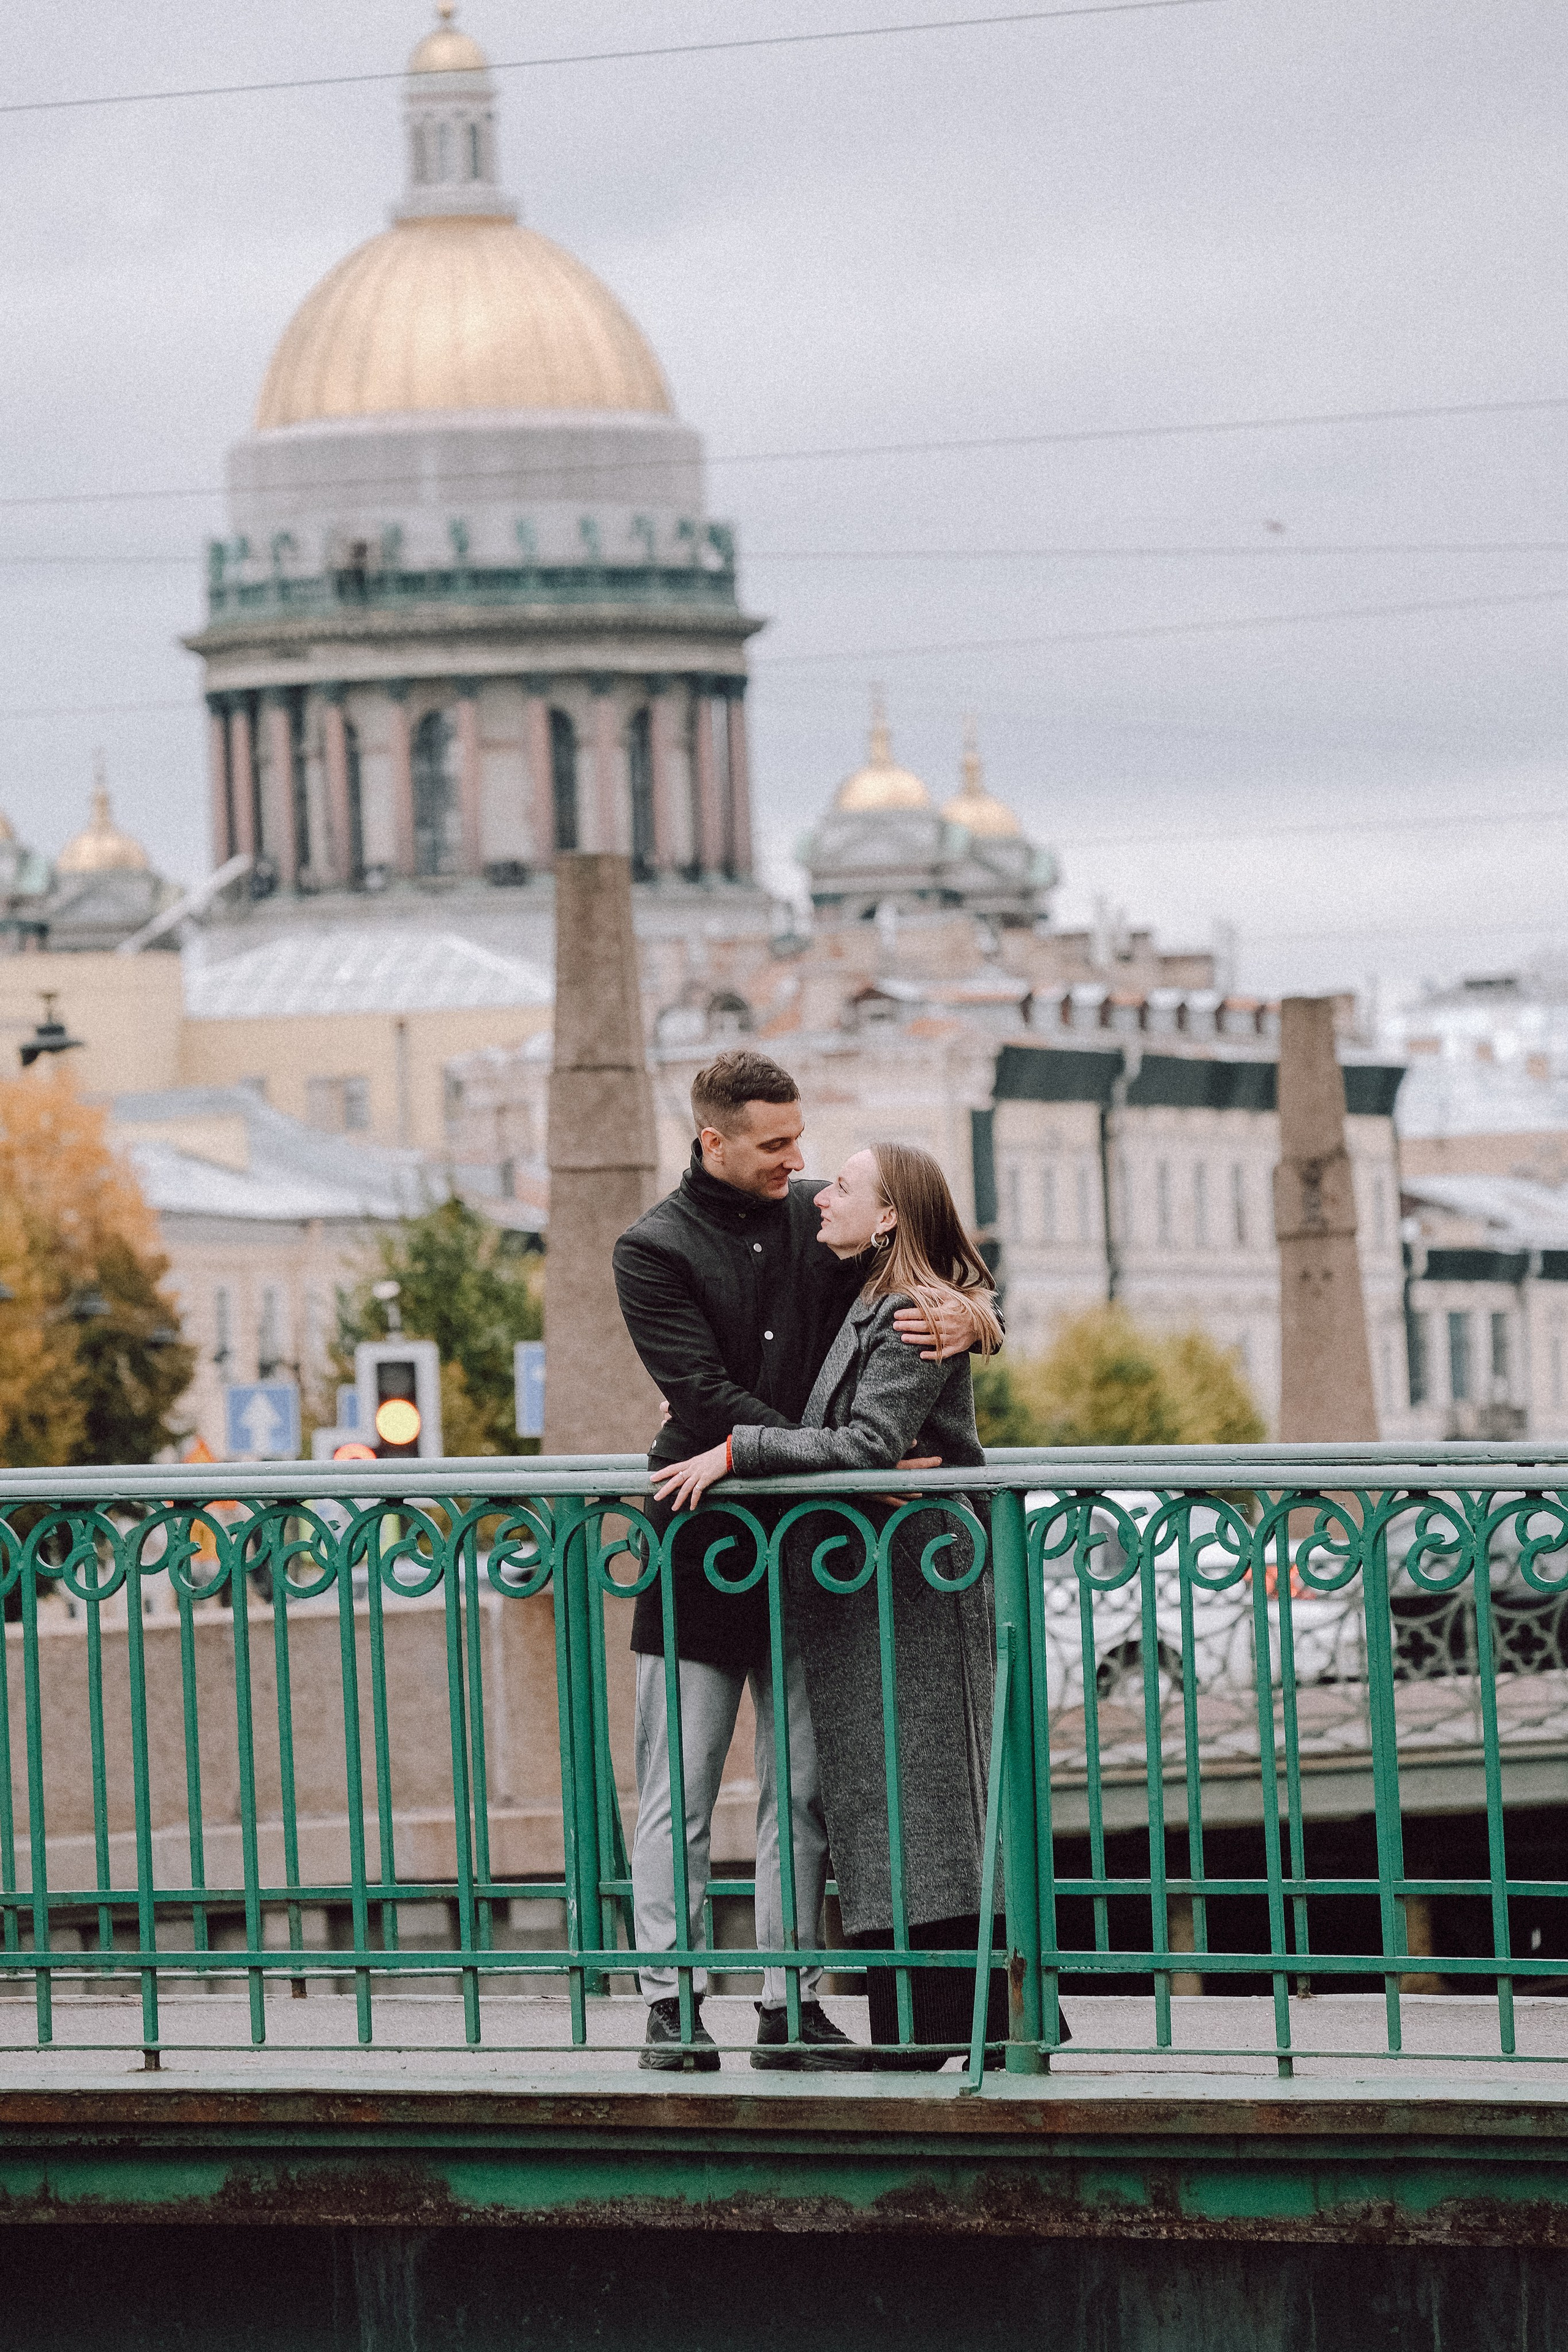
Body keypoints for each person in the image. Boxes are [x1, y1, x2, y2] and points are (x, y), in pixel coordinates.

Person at [613, 1052, 992, 2073]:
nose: (798, 1161)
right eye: (775, 1144)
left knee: (803, 1795)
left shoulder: (823, 1214)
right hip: (701, 1538)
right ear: (713, 1141)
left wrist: (977, 1319)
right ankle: (670, 2005)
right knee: (679, 1795)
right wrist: (842, 1459)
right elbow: (702, 1398)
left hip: (814, 1553)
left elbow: (930, 1267)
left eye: (800, 1139)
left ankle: (791, 2003)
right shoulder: (651, 1249)